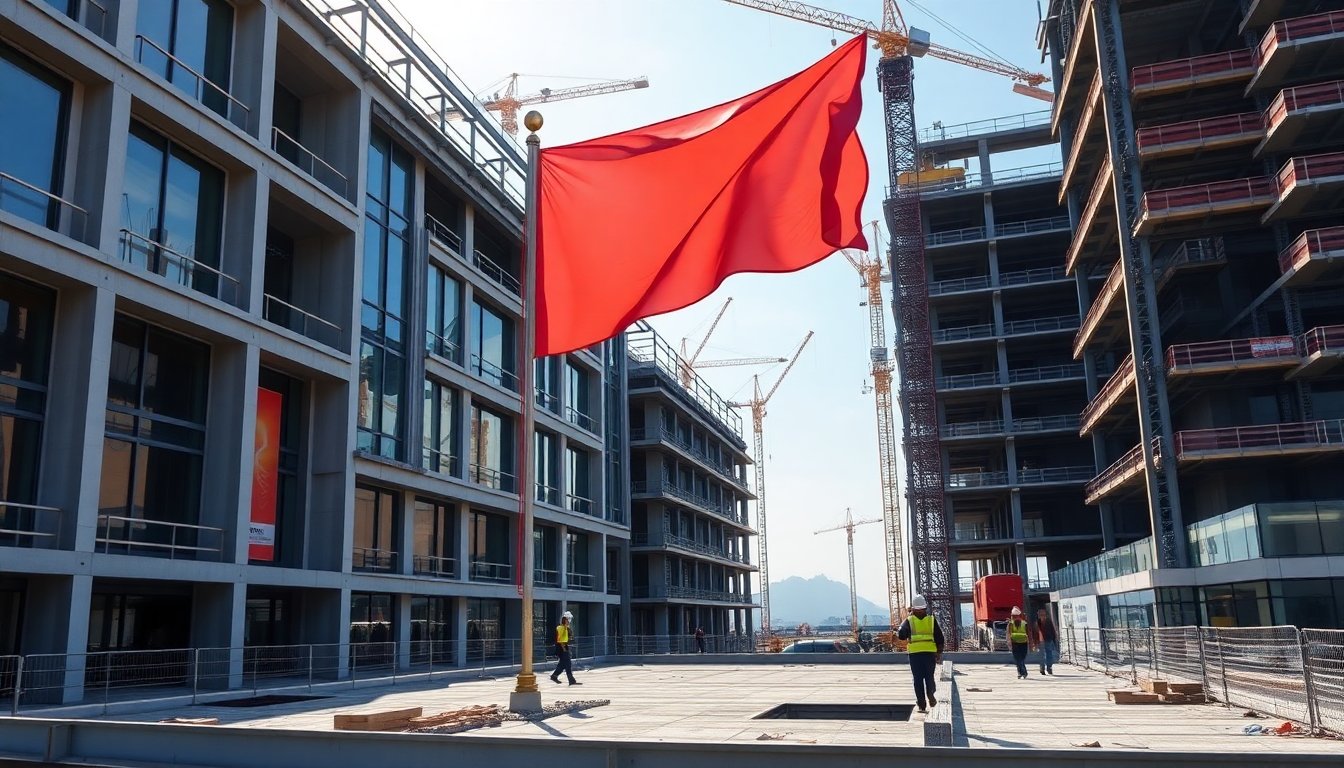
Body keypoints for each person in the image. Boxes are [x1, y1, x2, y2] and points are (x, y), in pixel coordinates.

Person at [896, 594, 944, 714]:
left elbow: (901, 634)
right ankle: (930, 693)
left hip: (915, 654)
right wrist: (939, 653)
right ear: (925, 607)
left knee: (918, 679)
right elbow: (940, 637)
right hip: (930, 653)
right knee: (929, 676)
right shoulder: (931, 620)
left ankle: (922, 705)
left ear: (913, 608)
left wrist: (902, 630)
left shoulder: (909, 620)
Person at [550, 610, 581, 686]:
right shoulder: (561, 628)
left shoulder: (566, 628)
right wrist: (564, 650)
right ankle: (571, 680)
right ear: (564, 620)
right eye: (568, 619)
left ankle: (554, 676)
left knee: (563, 664)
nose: (569, 621)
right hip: (561, 647)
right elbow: (560, 640)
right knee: (568, 664)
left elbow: (568, 638)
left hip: (564, 646)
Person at [1034, 607, 1059, 676]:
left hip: (1048, 639)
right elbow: (1035, 633)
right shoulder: (1037, 622)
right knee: (1042, 655)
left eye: (1043, 615)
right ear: (1038, 615)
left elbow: (1052, 630)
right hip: (1041, 641)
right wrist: (1035, 642)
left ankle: (1049, 668)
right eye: (1041, 615)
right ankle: (1042, 668)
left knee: (1049, 654)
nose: (1042, 616)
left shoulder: (1048, 621)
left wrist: (1054, 638)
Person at [1008, 606, 1030, 679]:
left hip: (1018, 643)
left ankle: (1021, 672)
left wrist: (1009, 642)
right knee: (1019, 659)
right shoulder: (1023, 623)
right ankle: (1021, 672)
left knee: (1019, 659)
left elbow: (1009, 634)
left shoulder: (1013, 623)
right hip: (1021, 643)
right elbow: (1028, 633)